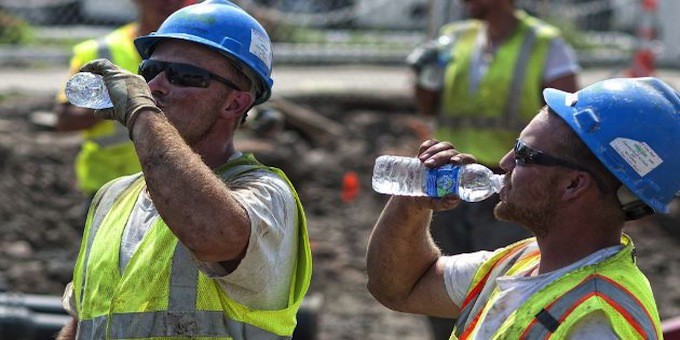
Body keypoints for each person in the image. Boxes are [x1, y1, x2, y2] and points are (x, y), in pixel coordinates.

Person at [56, 1, 312, 338]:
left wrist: (142, 115)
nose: (157, 85)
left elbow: (213, 237)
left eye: (184, 76)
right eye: (150, 71)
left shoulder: (267, 194)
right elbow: (82, 322)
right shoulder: (112, 197)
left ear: (235, 103)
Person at [366, 77, 679, 339]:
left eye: (524, 154)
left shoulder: (596, 320)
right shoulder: (525, 260)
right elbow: (400, 286)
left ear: (573, 185)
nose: (504, 163)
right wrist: (412, 201)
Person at [406, 1, 580, 336]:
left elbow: (567, 122)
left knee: (501, 286)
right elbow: (426, 104)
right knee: (439, 280)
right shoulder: (454, 38)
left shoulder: (544, 43)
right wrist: (425, 74)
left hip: (510, 187)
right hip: (450, 182)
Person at [54, 0, 196, 211]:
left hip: (178, 185)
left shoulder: (199, 55)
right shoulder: (100, 50)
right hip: (110, 191)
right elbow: (64, 120)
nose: (170, 2)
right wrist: (120, 99)